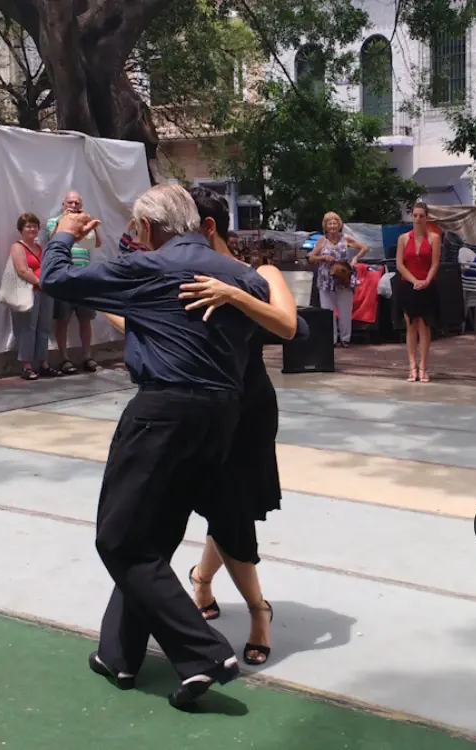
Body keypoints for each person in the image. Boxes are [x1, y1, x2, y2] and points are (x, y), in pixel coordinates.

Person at [40, 184, 271, 709]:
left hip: (162, 413)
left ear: (147, 228)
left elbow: (57, 279)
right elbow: (286, 327)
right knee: (154, 538)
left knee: (119, 540)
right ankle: (118, 653)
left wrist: (63, 236)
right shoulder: (241, 278)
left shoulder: (149, 270)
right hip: (221, 418)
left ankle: (205, 651)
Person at [173, 186, 307, 667]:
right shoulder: (183, 277)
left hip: (250, 408)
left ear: (208, 229)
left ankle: (251, 607)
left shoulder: (260, 273)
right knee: (224, 507)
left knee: (232, 508)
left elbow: (287, 326)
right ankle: (213, 589)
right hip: (205, 409)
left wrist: (231, 292)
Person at [46, 191, 102, 374]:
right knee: (62, 320)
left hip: (84, 275)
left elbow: (97, 244)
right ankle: (64, 358)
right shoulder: (54, 221)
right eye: (70, 202)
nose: (74, 205)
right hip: (64, 275)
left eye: (77, 202)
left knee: (86, 319)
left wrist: (91, 226)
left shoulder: (84, 220)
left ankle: (87, 356)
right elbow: (52, 239)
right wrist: (64, 220)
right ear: (63, 204)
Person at [392, 202, 442, 382]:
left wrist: (427, 281)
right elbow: (399, 264)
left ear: (426, 217)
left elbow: (435, 262)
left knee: (424, 326)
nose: (418, 219)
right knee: (411, 326)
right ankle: (412, 366)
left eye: (422, 215)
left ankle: (423, 367)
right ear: (411, 217)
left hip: (428, 285)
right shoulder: (403, 238)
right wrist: (414, 281)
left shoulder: (434, 238)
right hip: (408, 285)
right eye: (415, 215)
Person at [307, 212, 368, 347]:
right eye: (330, 223)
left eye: (335, 223)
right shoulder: (321, 240)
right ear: (326, 226)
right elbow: (311, 258)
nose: (333, 226)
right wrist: (323, 258)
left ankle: (345, 339)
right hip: (326, 280)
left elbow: (364, 248)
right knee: (328, 311)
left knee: (345, 311)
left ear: (339, 225)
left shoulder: (345, 238)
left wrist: (355, 259)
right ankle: (331, 339)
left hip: (343, 279)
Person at [8, 213, 57, 380]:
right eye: (28, 226)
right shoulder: (17, 247)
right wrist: (39, 282)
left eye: (35, 226)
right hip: (30, 291)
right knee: (28, 328)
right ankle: (27, 365)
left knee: (44, 328)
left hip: (45, 292)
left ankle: (43, 363)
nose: (32, 229)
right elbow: (22, 270)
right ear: (21, 229)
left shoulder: (40, 247)